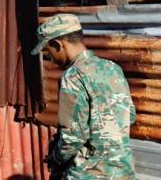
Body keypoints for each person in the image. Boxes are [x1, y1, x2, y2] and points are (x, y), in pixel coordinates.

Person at [32, 14, 136, 180]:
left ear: (58, 45)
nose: (50, 59)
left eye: (48, 51)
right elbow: (129, 116)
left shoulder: (73, 76)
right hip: (123, 171)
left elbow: (73, 137)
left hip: (89, 173)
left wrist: (55, 158)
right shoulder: (112, 68)